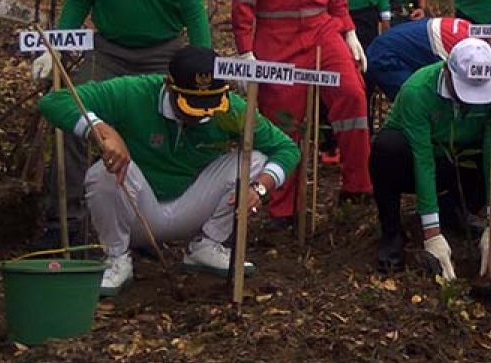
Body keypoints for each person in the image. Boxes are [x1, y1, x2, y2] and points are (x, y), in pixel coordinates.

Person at [31, 0, 210, 242]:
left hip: (163, 52)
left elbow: (193, 9)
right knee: (72, 112)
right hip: (108, 50)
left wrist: (202, 65)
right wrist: (58, 47)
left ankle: (154, 220)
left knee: (164, 127)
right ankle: (64, 219)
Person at [37, 46, 300, 295]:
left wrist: (260, 187)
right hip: (136, 207)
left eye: (211, 104)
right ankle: (116, 257)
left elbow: (286, 148)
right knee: (102, 172)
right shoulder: (134, 92)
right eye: (193, 105)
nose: (203, 115)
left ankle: (207, 245)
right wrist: (102, 131)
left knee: (254, 159)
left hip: (193, 203)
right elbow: (55, 101)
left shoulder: (232, 109)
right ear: (170, 88)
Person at [232, 0, 371, 220]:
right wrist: (246, 52)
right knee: (284, 123)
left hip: (321, 29)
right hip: (276, 40)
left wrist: (349, 30)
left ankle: (358, 187)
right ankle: (283, 209)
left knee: (353, 96)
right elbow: (244, 1)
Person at [369, 38, 491, 275]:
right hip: (419, 161)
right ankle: (392, 234)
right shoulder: (417, 91)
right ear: (447, 70)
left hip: (461, 160)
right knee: (385, 148)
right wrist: (432, 234)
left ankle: (455, 209)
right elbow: (422, 159)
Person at [367, 16, 491, 100]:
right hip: (386, 58)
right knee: (414, 102)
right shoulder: (463, 47)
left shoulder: (469, 29)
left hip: (393, 50)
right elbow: (449, 85)